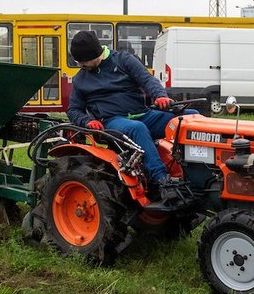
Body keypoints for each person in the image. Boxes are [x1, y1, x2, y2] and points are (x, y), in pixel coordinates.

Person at [66, 30, 189, 203]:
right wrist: (87, 121)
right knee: (137, 128)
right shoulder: (81, 80)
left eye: (83, 61)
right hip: (113, 122)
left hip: (144, 114)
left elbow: (147, 80)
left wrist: (160, 95)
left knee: (189, 119)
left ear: (95, 54)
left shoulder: (123, 60)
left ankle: (195, 174)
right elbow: (73, 110)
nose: (81, 65)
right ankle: (162, 181)